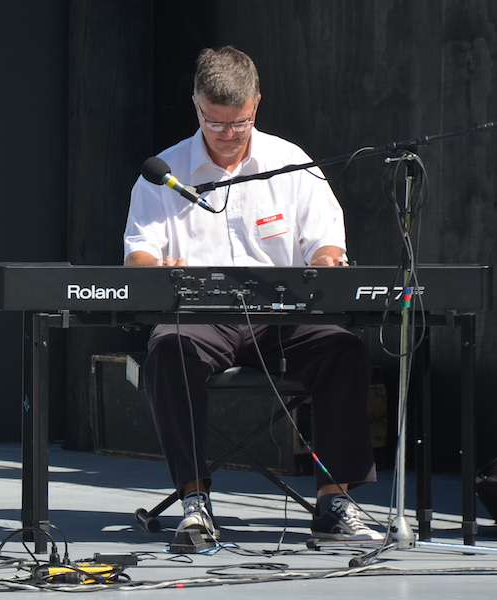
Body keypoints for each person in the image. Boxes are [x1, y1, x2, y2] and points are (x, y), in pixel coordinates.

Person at [123, 47, 381, 546]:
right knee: (167, 349)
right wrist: (156, 269)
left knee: (344, 350)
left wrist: (327, 259)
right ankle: (194, 501)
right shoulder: (163, 173)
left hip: (281, 315)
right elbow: (139, 255)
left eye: (237, 123)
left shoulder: (291, 163)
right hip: (201, 315)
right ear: (195, 103)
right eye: (214, 122)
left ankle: (334, 502)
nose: (226, 134)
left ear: (256, 105)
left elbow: (326, 240)